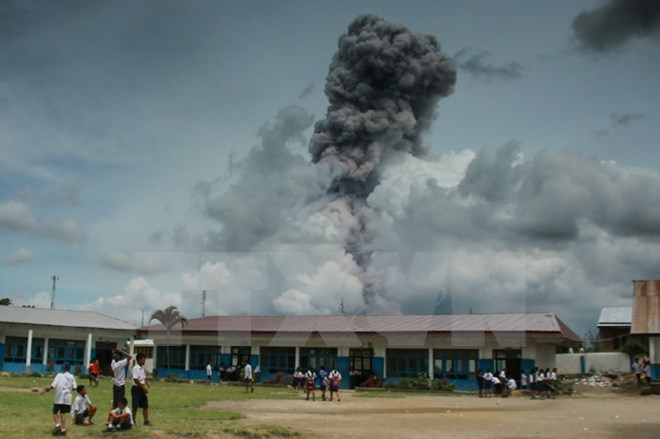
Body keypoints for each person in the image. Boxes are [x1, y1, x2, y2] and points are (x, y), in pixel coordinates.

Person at [42, 362, 77, 436]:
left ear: (63, 368)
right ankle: (63, 429)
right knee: (63, 413)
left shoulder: (59, 375)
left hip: (59, 397)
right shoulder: (71, 376)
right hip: (67, 398)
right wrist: (68, 390)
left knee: (55, 412)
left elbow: (53, 385)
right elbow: (74, 387)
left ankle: (57, 425)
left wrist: (46, 389)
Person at [131, 353, 150, 426]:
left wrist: (147, 382)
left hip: (141, 388)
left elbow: (142, 378)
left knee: (145, 405)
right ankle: (132, 420)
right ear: (139, 360)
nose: (144, 361)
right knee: (135, 406)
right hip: (136, 388)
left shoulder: (141, 368)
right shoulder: (136, 368)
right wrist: (143, 388)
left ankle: (146, 420)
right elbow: (136, 380)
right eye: (143, 359)